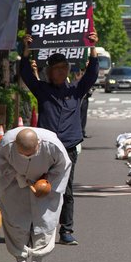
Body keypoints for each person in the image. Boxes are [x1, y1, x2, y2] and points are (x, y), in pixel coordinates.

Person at [21, 30, 99, 245]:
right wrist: (26, 50)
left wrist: (92, 49)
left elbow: (91, 75)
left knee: (67, 189)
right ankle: (37, 226)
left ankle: (66, 229)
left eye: (64, 68)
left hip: (69, 147)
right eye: (57, 69)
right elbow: (27, 74)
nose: (61, 71)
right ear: (49, 72)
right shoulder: (42, 90)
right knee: (40, 187)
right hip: (44, 148)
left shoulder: (76, 90)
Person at [0, 127, 72, 262]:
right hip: (14, 184)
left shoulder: (52, 144)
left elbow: (63, 167)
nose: (27, 157)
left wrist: (48, 184)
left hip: (45, 184)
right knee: (15, 222)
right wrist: (18, 178)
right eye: (23, 154)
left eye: (31, 153)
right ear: (15, 145)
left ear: (38, 145)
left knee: (44, 222)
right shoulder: (7, 144)